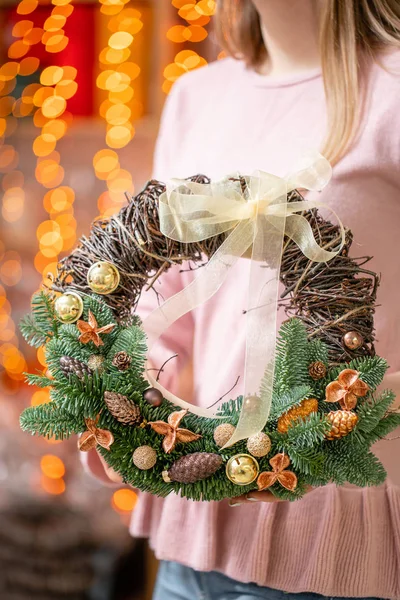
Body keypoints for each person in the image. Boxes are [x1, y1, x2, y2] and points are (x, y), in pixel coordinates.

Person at [84, 1, 400, 598]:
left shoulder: (390, 88)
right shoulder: (197, 94)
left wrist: (334, 425)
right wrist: (122, 409)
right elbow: (166, 291)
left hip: (340, 538)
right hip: (196, 537)